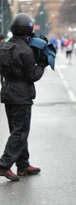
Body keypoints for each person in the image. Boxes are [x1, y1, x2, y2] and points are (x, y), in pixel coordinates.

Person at [0, 13, 48, 181]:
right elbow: (33, 75)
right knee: (20, 132)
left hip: (7, 92)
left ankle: (22, 165)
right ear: (28, 29)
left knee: (17, 129)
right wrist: (42, 63)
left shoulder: (4, 47)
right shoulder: (26, 51)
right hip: (21, 95)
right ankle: (4, 165)